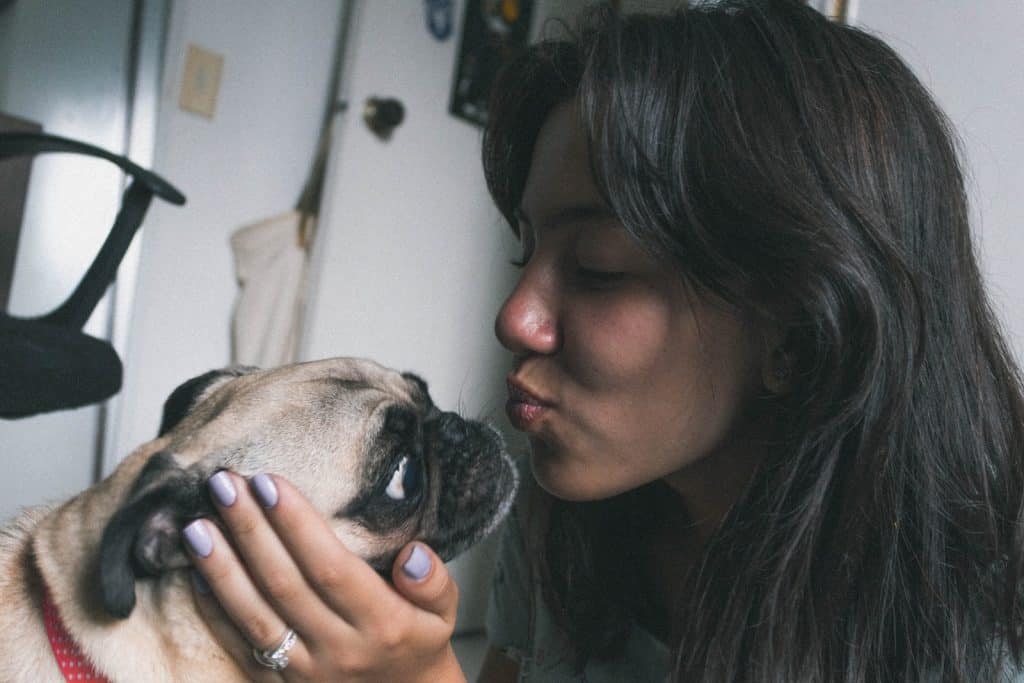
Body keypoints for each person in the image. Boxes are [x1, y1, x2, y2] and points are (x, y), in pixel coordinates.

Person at [182, 1, 1024, 681]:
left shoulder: (980, 627)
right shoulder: (567, 514)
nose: (515, 317)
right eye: (526, 251)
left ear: (797, 333)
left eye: (597, 267)